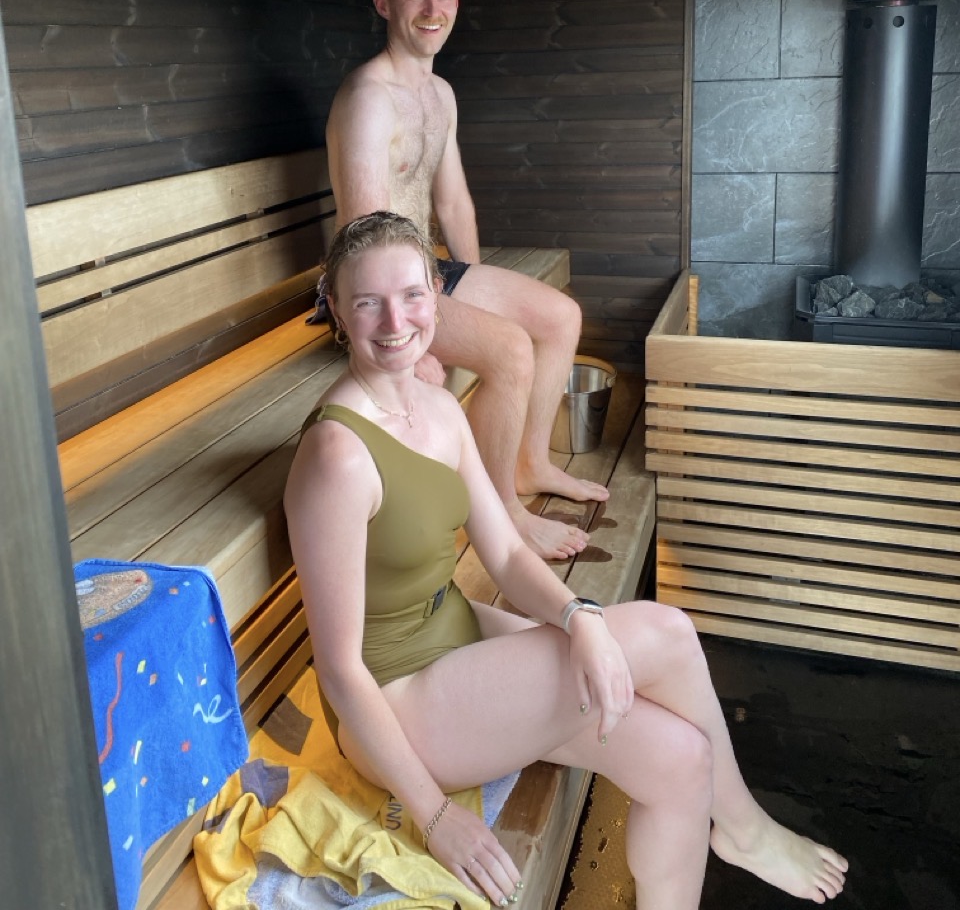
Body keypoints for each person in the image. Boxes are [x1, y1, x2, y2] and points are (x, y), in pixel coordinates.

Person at [284, 211, 849, 909]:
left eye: (411, 295)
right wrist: (435, 818)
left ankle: (725, 837)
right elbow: (340, 671)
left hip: (455, 635)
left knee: (681, 760)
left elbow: (507, 555)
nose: (394, 319)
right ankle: (744, 828)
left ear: (438, 294)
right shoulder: (337, 457)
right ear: (336, 309)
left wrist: (578, 616)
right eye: (367, 301)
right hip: (396, 702)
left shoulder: (438, 408)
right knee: (667, 634)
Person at [325, 0, 607, 561]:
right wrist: (411, 341)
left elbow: (452, 205)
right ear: (383, 4)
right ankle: (501, 511)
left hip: (426, 271)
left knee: (561, 317)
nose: (433, 8)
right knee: (507, 350)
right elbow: (363, 233)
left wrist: (473, 281)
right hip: (375, 294)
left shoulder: (439, 94)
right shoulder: (369, 97)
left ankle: (531, 463)